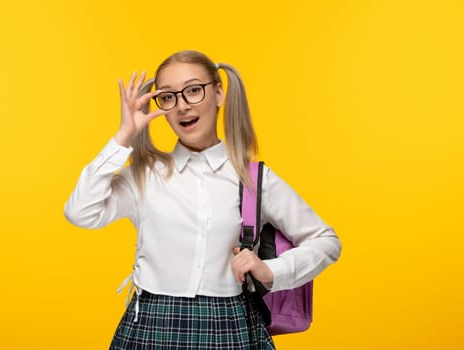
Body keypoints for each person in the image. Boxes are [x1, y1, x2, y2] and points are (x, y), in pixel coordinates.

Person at [64, 50, 341, 349]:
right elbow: (81, 212)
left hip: (230, 324)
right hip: (152, 325)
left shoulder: (252, 179)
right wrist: (123, 136)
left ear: (219, 93)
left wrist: (271, 270)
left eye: (194, 90)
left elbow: (326, 240)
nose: (182, 106)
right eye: (168, 97)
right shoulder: (144, 176)